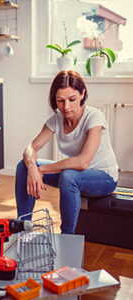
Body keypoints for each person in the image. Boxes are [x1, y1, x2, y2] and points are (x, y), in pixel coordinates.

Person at [15, 70, 118, 234]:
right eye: (60, 101)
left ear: (82, 93)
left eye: (72, 99)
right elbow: (31, 148)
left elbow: (82, 162)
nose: (66, 107)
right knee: (24, 166)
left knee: (68, 176)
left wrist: (41, 169)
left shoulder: (94, 117)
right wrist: (33, 168)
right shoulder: (56, 119)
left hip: (104, 177)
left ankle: (67, 236)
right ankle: (23, 227)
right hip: (76, 174)